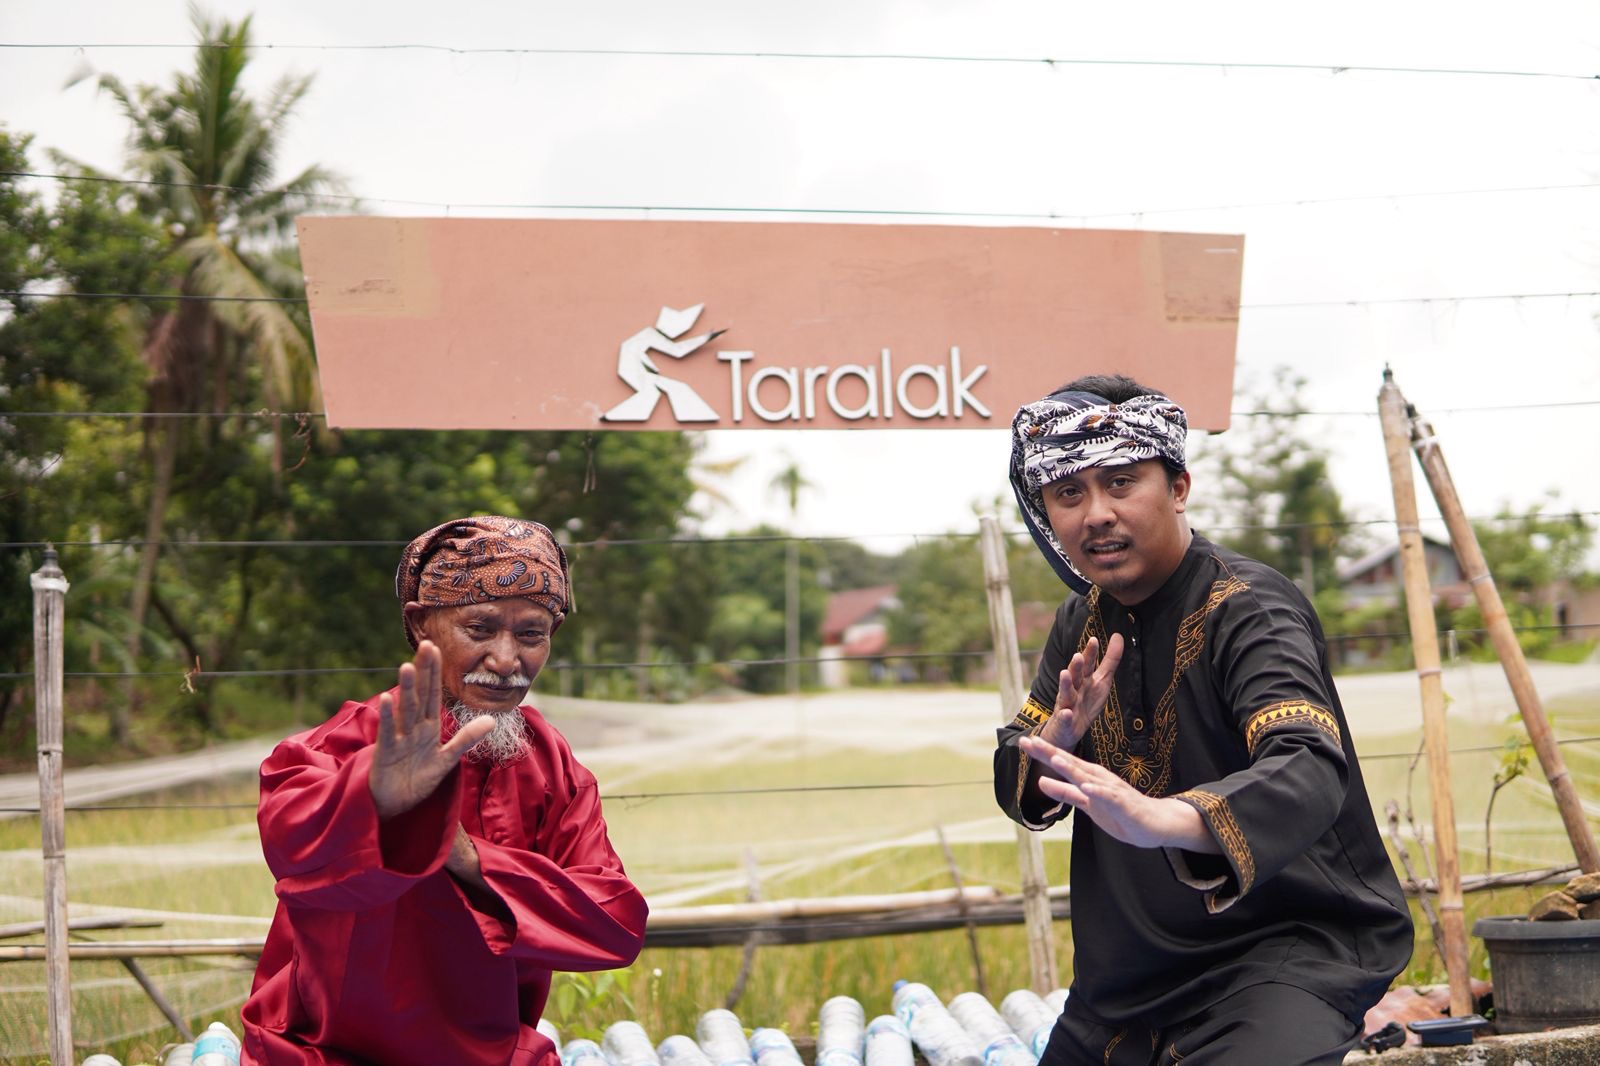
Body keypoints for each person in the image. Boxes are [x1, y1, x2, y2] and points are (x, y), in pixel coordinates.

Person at [994, 376, 1412, 1065]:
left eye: (1121, 482)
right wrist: (1055, 740)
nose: (1096, 514)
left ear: (1179, 487)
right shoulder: (1081, 623)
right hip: (1125, 987)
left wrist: (1168, 818)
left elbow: (1306, 760)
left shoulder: (1248, 607)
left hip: (1280, 958)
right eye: (1068, 493)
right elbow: (1022, 767)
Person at [242, 516, 647, 1065]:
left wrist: (470, 860)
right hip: (321, 1053)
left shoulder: (555, 768)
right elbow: (294, 850)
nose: (506, 660)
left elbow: (616, 925)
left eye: (531, 634)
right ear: (421, 625)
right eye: (480, 628)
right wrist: (376, 804)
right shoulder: (342, 745)